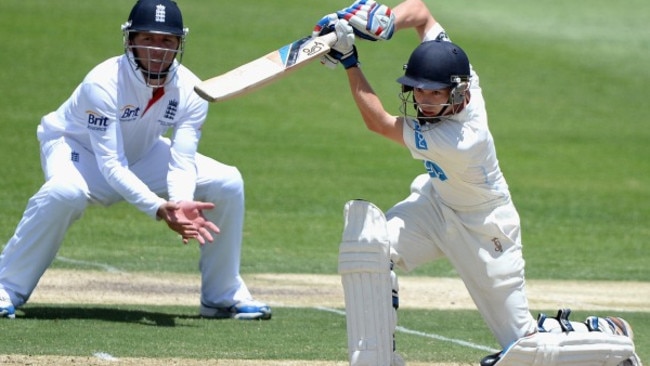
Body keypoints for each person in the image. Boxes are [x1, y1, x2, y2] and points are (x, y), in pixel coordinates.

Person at [313, 0, 642, 365]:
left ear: (456, 92)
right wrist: (387, 21)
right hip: (435, 206)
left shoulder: (462, 140)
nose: (423, 100)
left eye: (434, 92)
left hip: (486, 231)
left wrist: (350, 61)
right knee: (369, 246)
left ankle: (609, 339)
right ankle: (377, 360)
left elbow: (377, 122)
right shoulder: (462, 71)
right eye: (417, 90)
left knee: (522, 344)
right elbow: (421, 13)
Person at [0, 0, 270, 321]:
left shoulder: (190, 89)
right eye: (148, 39)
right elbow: (111, 164)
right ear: (130, 40)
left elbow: (182, 161)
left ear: (179, 44)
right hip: (78, 152)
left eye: (166, 41)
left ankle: (222, 295)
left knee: (226, 182)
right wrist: (158, 207)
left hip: (143, 152)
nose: (157, 49)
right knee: (64, 193)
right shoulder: (102, 82)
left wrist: (181, 202)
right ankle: (6, 287)